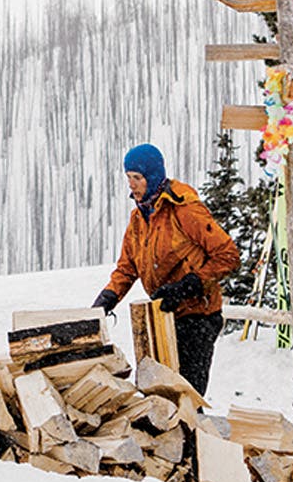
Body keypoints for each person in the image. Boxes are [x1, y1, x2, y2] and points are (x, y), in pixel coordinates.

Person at [92, 142, 240, 397]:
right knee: (159, 396)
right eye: (128, 178)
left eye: (137, 177)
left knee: (186, 396)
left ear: (152, 176)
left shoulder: (185, 210)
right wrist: (108, 299)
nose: (132, 184)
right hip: (162, 316)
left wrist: (189, 285)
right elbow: (127, 268)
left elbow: (228, 256)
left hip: (197, 317)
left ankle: (193, 436)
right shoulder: (138, 219)